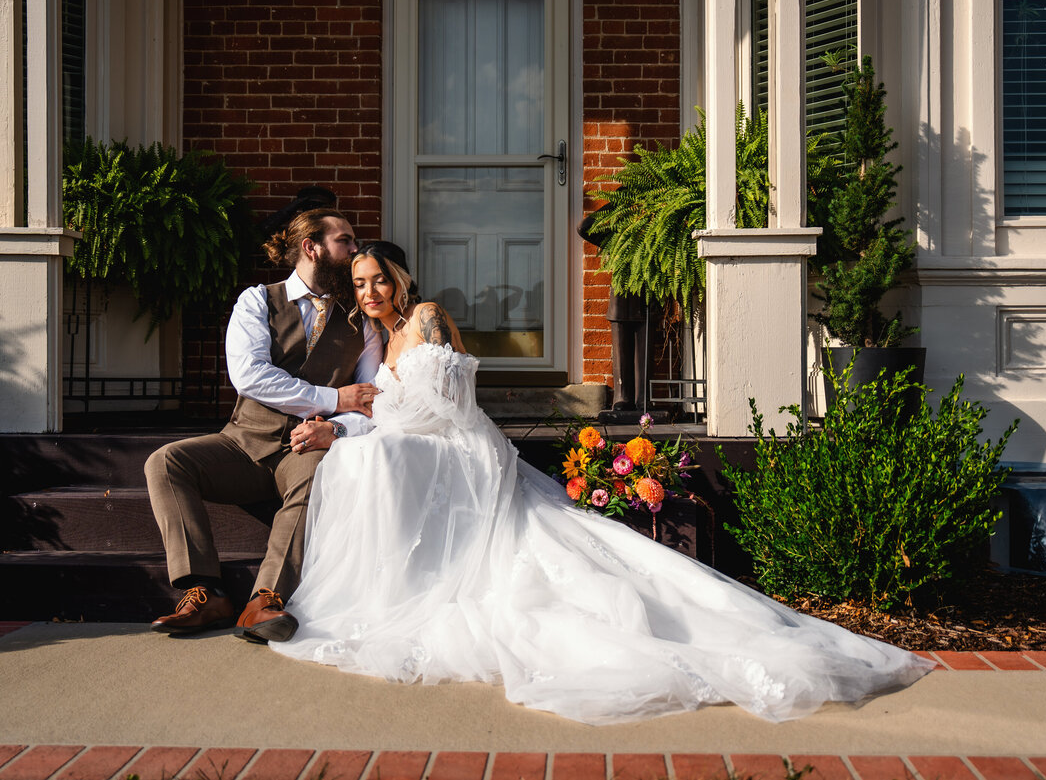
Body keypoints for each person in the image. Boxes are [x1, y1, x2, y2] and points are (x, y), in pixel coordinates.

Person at [267, 241, 935, 724]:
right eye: (358, 283)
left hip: (463, 448)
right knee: (357, 460)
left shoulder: (426, 318)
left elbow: (443, 406)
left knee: (371, 461)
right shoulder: (381, 343)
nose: (368, 291)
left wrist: (355, 424)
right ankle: (392, 584)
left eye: (376, 278)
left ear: (398, 278)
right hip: (424, 446)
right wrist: (340, 427)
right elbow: (389, 413)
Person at [145, 208, 382, 644]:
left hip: (306, 449)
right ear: (312, 247)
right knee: (166, 462)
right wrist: (333, 398)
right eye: (344, 241)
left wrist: (335, 427)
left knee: (318, 475)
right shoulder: (258, 300)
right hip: (242, 445)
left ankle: (264, 599)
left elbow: (370, 399)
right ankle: (205, 591)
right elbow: (250, 375)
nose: (354, 250)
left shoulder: (361, 318)